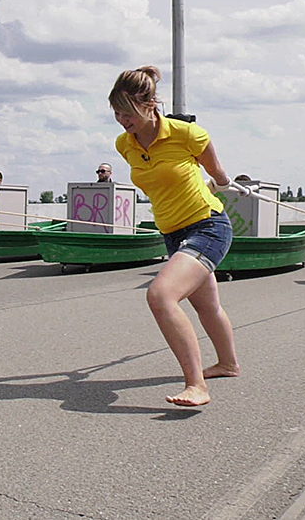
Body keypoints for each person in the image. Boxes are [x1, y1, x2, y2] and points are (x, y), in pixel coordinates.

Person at [110, 65, 241, 407]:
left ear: (150, 104)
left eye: (128, 113)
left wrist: (224, 183)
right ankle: (228, 364)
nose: (122, 120)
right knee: (207, 305)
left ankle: (196, 385)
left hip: (207, 226)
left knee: (161, 296)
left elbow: (217, 172)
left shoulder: (187, 134)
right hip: (172, 233)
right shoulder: (125, 144)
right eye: (117, 113)